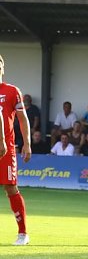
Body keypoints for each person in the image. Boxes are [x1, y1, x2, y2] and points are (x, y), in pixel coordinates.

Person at [0, 56, 32, 245]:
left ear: (3, 67)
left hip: (6, 149)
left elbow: (22, 118)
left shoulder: (12, 91)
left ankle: (23, 233)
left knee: (10, 187)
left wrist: (27, 143)